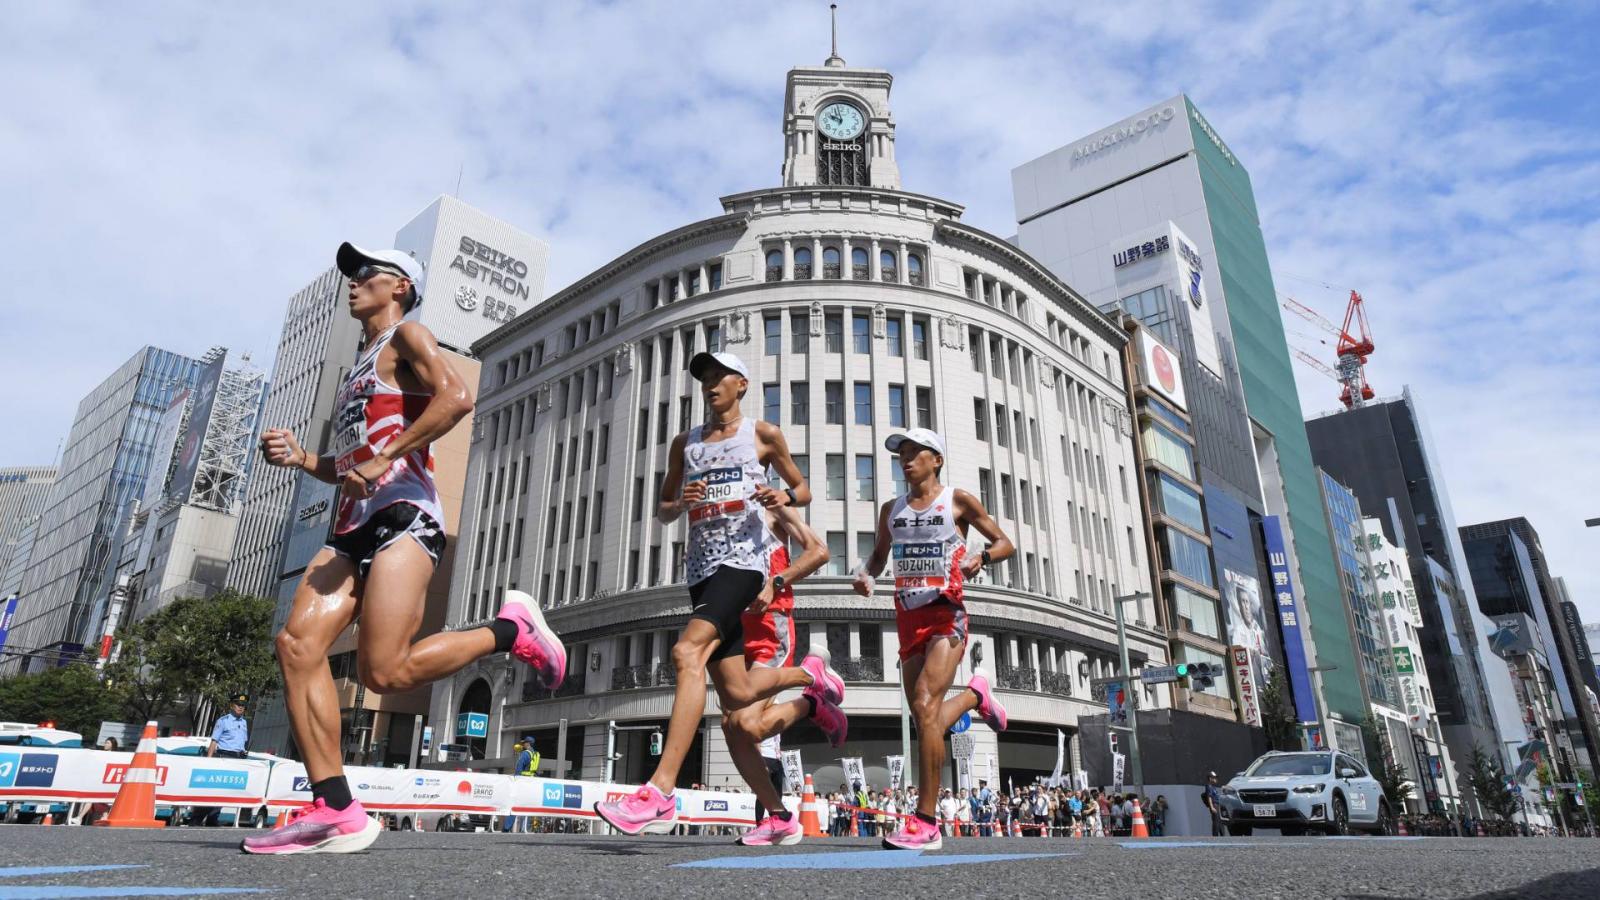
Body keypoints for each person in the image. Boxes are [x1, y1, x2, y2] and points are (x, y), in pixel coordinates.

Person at [243, 243, 565, 855]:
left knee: (384, 672)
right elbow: (348, 465)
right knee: (296, 644)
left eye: (365, 274)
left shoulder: (409, 337)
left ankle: (510, 630)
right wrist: (303, 458)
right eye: (351, 275)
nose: (353, 283)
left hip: (404, 516)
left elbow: (456, 399)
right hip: (350, 525)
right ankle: (335, 808)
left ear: (399, 287)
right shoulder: (355, 373)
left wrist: (386, 457)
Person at [596, 351, 839, 837]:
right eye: (704, 377)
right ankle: (810, 687)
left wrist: (783, 497)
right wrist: (676, 503)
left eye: (718, 376)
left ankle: (660, 791)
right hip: (701, 571)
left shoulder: (762, 435)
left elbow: (803, 489)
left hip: (745, 564)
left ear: (741, 385)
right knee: (738, 694)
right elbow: (664, 510)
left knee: (687, 652)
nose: (709, 384)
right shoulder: (684, 444)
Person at [856, 428, 1015, 851]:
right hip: (908, 619)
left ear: (936, 460)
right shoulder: (891, 509)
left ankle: (926, 821)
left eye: (914, 453)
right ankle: (975, 695)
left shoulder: (956, 501)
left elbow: (1005, 543)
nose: (906, 460)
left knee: (926, 702)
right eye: (901, 454)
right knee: (924, 716)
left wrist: (982, 557)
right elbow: (878, 555)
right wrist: (867, 574)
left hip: (948, 615)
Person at [730, 504, 831, 846]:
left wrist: (776, 582)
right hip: (734, 632)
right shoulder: (718, 514)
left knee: (745, 725)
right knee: (737, 730)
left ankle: (809, 680)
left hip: (769, 630)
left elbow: (819, 551)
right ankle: (779, 817)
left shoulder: (773, 508)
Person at [1204, 771, 1225, 836]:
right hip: (1214, 805)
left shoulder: (1213, 787)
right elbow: (1209, 797)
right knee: (1216, 821)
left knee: (1220, 821)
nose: (1216, 779)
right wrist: (1212, 807)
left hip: (1217, 805)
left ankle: (1222, 835)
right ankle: (1215, 836)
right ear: (1210, 778)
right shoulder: (1209, 786)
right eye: (1214, 778)